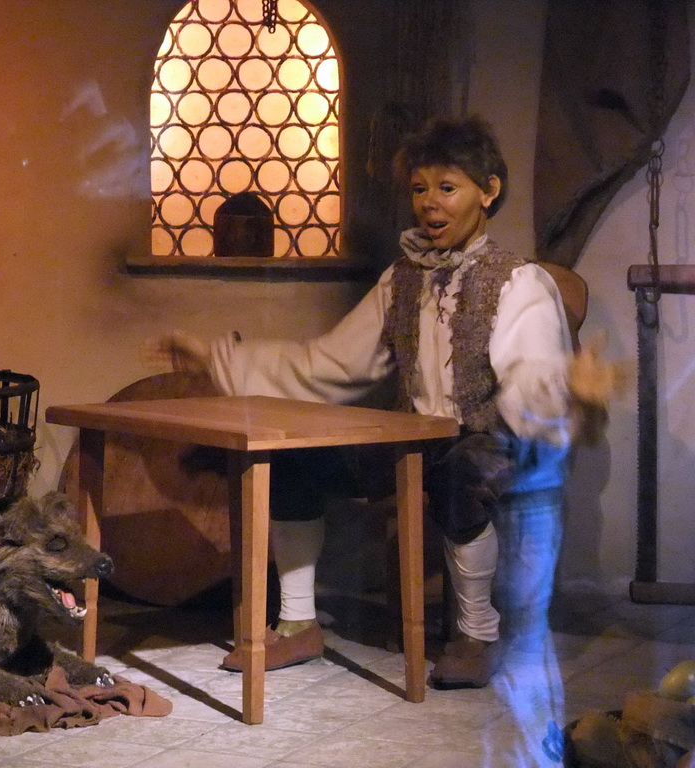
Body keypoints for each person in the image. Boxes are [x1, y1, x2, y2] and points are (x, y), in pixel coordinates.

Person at [148, 115, 582, 690]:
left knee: (463, 471)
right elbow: (334, 362)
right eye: (420, 189)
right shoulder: (402, 277)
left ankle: (476, 634)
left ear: (488, 191)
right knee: (297, 458)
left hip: (495, 436)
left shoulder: (516, 281)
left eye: (447, 188)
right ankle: (298, 621)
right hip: (415, 434)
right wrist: (218, 356)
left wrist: (563, 390)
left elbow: (528, 378)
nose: (430, 204)